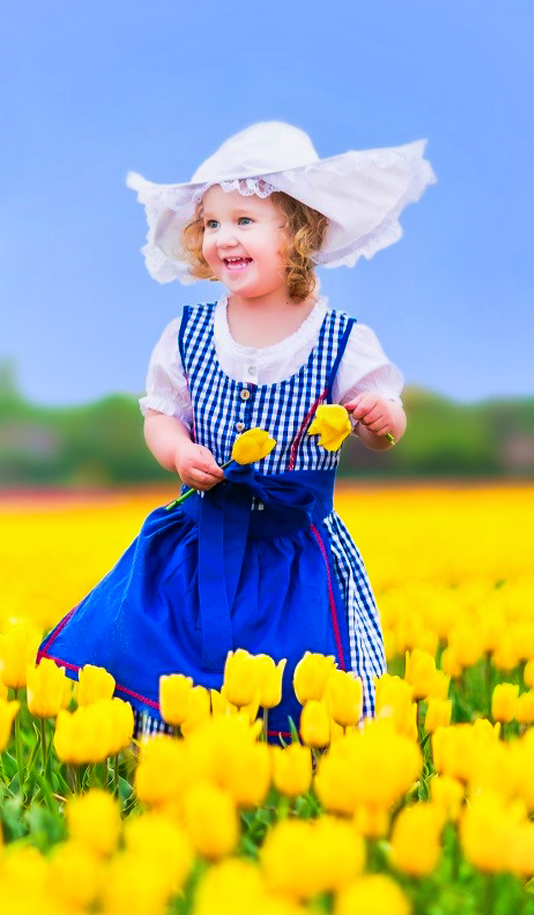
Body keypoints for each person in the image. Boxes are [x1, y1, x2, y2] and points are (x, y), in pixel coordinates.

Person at [37, 121, 434, 740]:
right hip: (198, 542)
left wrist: (382, 421)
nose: (225, 238)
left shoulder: (341, 338)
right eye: (213, 224)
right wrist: (177, 452)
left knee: (302, 675)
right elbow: (161, 415)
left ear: (298, 233)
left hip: (293, 548)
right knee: (173, 657)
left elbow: (381, 419)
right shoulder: (188, 334)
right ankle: (179, 758)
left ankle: (298, 767)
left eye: (244, 221)